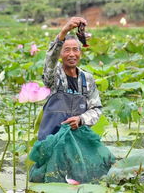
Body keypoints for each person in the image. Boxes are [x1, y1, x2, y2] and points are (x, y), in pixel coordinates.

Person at [29, 17, 115, 184]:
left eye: (75, 50)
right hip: (52, 140)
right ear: (61, 54)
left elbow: (96, 108)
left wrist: (81, 119)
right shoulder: (54, 77)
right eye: (67, 50)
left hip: (78, 141)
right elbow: (50, 62)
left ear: (80, 53)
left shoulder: (87, 79)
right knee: (50, 181)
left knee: (100, 170)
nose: (71, 54)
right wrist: (63, 32)